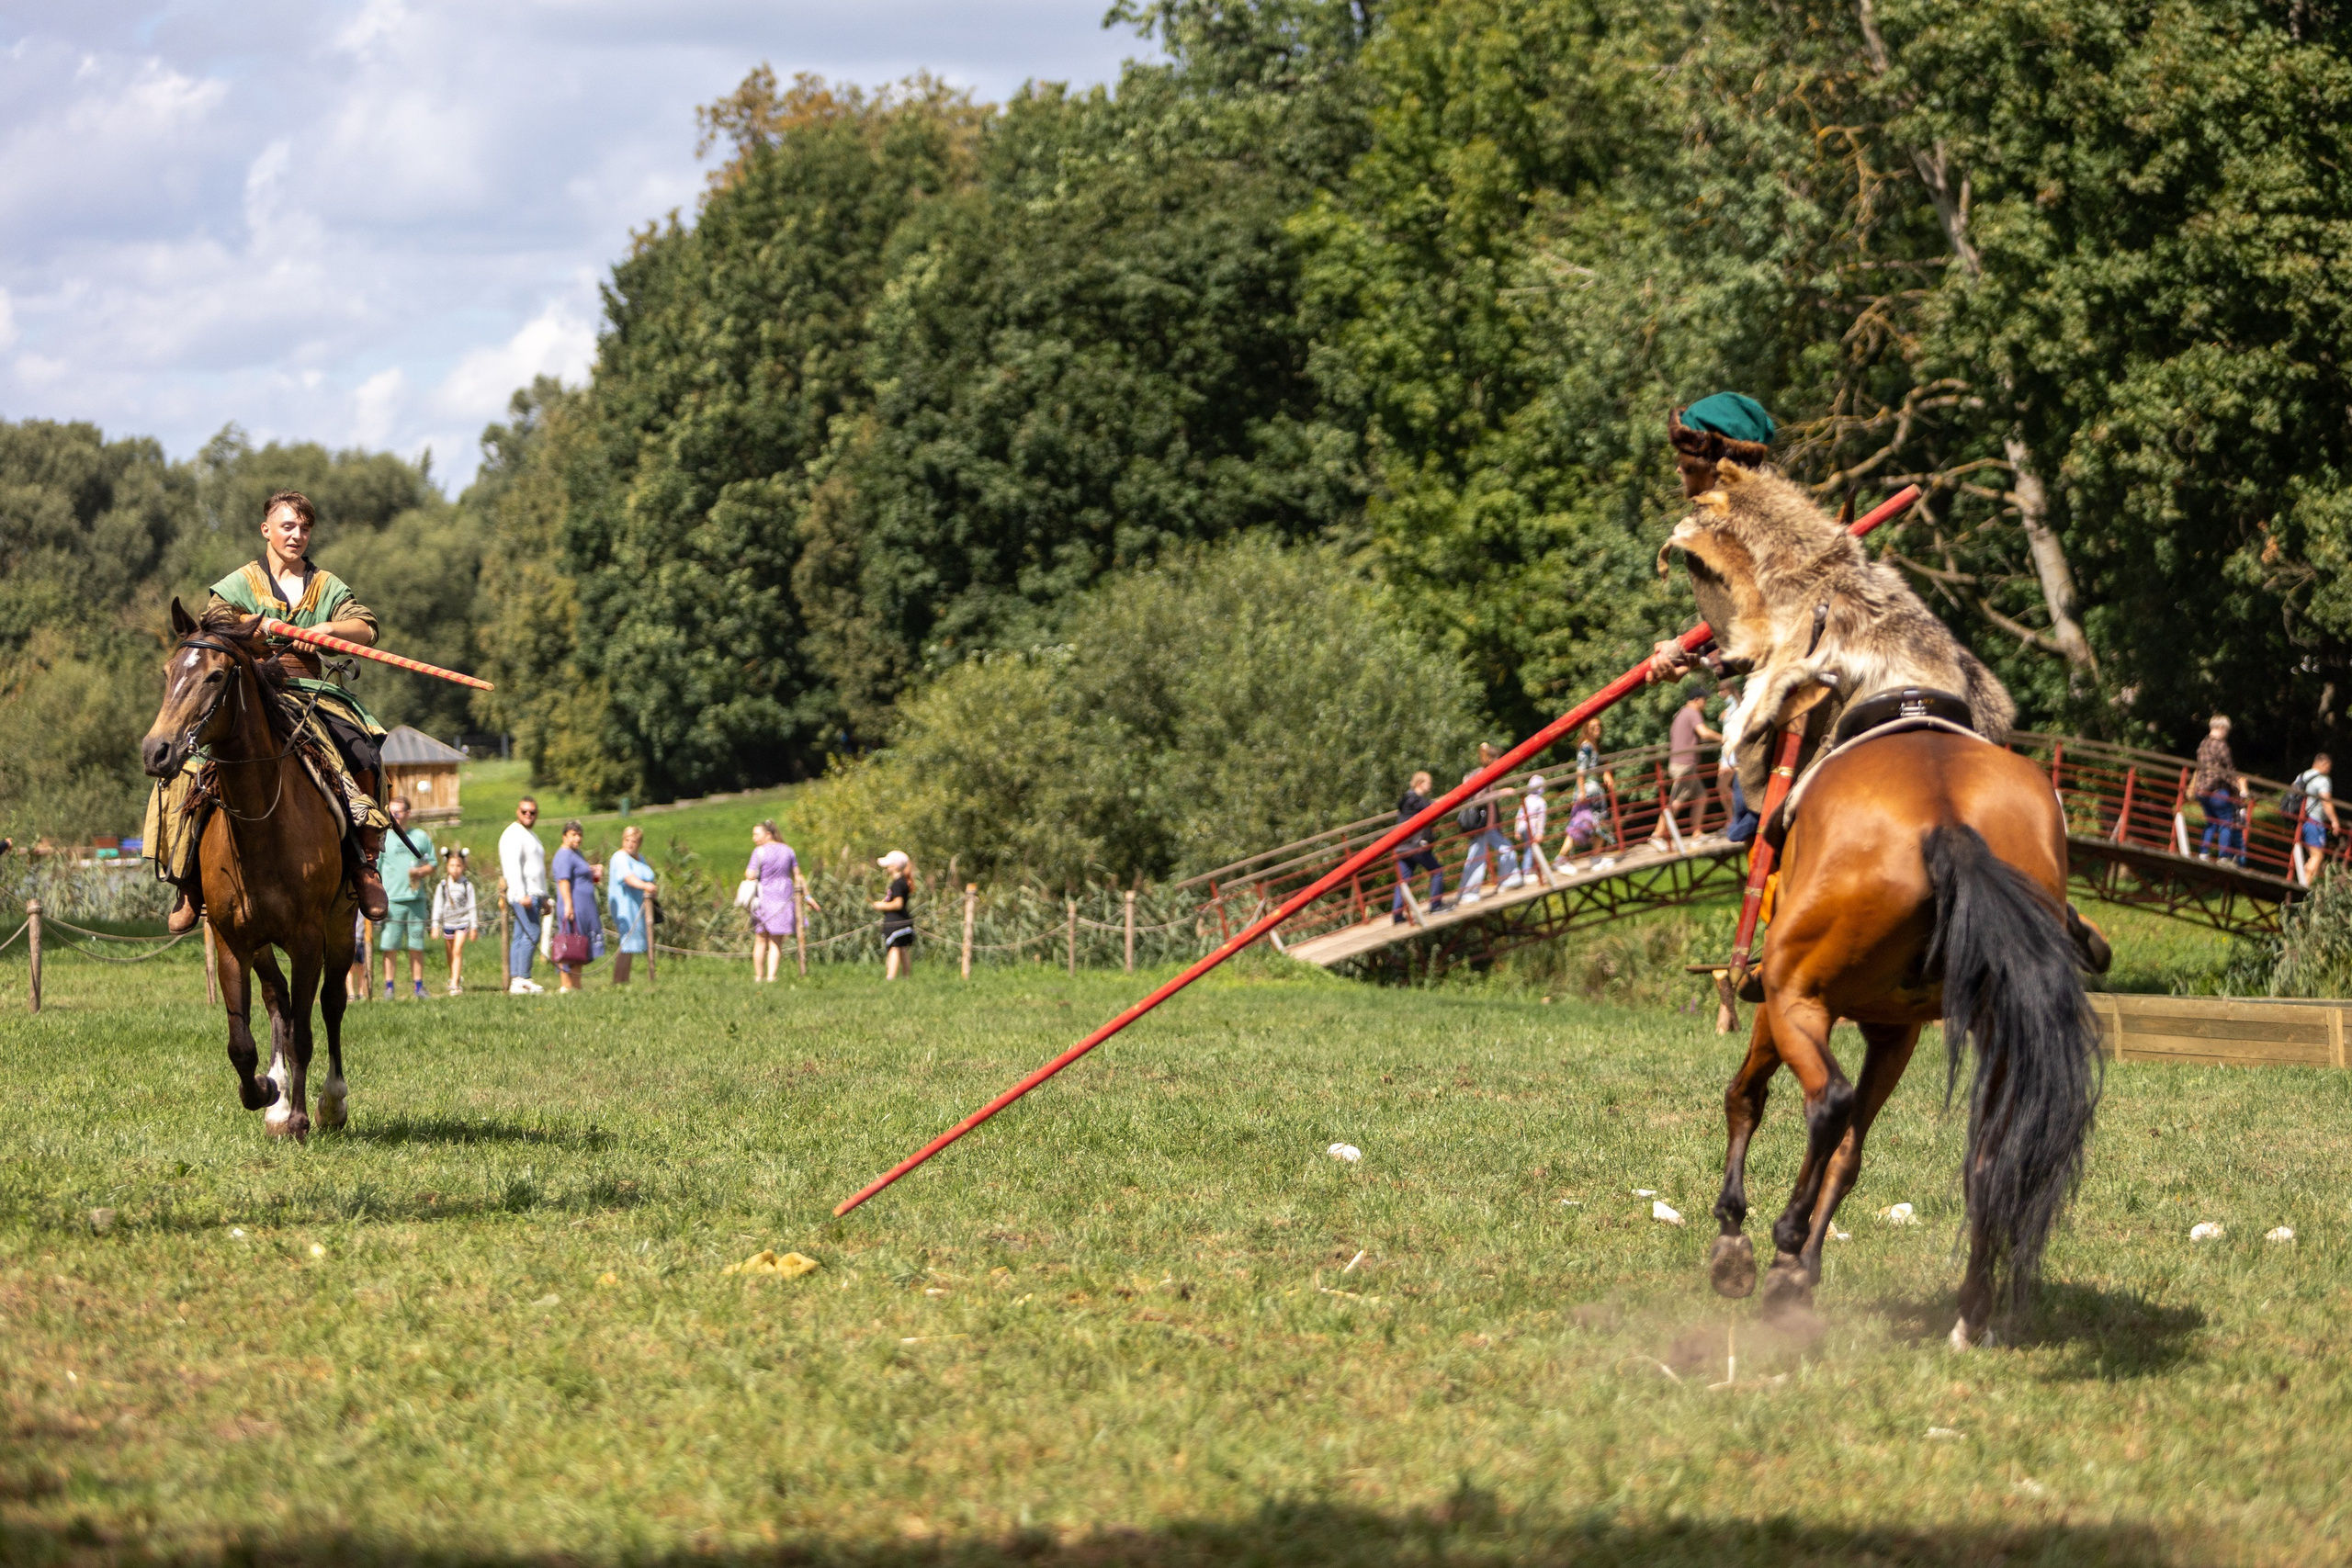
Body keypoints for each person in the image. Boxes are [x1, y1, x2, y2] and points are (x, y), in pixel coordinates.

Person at [157, 490, 395, 934]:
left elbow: (366, 627)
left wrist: (326, 629)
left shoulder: (326, 585)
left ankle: (364, 863)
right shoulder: (240, 583)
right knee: (194, 766)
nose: (297, 535)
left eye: (304, 528)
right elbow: (214, 619)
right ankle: (188, 876)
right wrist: (261, 626)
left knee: (363, 754)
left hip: (312, 691)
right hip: (250, 690)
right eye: (288, 526)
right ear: (266, 530)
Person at [1649, 682, 1721, 850]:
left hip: (1682, 763)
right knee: (1676, 801)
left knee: (1701, 796)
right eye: (1705, 700)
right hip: (1685, 765)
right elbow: (1704, 732)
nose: (1706, 704)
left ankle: (1697, 834)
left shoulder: (1681, 713)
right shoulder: (1693, 713)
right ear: (1697, 700)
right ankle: (1657, 835)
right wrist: (1723, 738)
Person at [376, 795, 435, 1000]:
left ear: (408, 813)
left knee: (416, 945)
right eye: (391, 813)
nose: (394, 817)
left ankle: (419, 987)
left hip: (416, 899)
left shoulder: (420, 837)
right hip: (392, 900)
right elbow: (377, 870)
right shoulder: (384, 837)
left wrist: (421, 872)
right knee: (389, 945)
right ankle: (389, 987)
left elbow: (432, 864)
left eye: (398, 813)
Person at [744, 820, 816, 983]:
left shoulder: (759, 852)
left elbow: (750, 874)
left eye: (756, 834)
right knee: (776, 941)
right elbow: (798, 875)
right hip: (784, 897)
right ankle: (772, 977)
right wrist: (808, 897)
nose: (754, 838)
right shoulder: (789, 851)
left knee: (761, 939)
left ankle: (758, 976)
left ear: (768, 835)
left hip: (764, 898)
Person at [500, 796, 548, 995]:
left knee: (522, 935)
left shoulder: (530, 835)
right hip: (524, 894)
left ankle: (518, 979)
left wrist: (544, 896)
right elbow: (513, 867)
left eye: (532, 812)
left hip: (535, 893)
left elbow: (537, 868)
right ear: (517, 812)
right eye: (524, 811)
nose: (528, 815)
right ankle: (522, 978)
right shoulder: (513, 834)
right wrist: (521, 894)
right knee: (532, 933)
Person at [548, 819, 604, 994]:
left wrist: (593, 870)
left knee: (578, 945)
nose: (577, 838)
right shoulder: (564, 854)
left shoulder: (576, 853)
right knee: (568, 943)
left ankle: (576, 984)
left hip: (584, 905)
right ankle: (565, 984)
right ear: (564, 836)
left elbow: (579, 873)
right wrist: (569, 905)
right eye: (573, 834)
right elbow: (563, 880)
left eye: (580, 835)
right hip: (573, 905)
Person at [2192, 716, 2248, 864]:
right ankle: (2223, 857)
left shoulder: (2202, 745)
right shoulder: (2221, 745)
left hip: (2201, 789)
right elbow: (2229, 769)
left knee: (2211, 822)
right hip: (2217, 789)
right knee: (2226, 823)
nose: (2227, 733)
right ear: (2222, 728)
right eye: (2227, 730)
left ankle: (2203, 853)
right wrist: (2237, 788)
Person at [1391, 770, 1445, 922]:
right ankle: (1436, 906)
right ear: (1420, 783)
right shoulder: (1415, 799)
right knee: (1437, 871)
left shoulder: (1408, 799)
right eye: (1429, 783)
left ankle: (1397, 915)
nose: (1431, 786)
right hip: (1415, 845)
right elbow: (1432, 808)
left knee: (1404, 881)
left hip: (1402, 846)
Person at [607, 825, 657, 987]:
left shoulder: (639, 858)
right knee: (626, 942)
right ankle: (618, 981)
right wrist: (645, 886)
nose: (630, 844)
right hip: (624, 904)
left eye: (633, 841)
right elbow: (627, 877)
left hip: (639, 905)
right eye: (627, 840)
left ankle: (624, 979)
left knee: (632, 943)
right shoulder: (619, 857)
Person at [432, 848, 479, 996]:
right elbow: (438, 906)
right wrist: (435, 925)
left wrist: (474, 927)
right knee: (450, 953)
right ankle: (454, 974)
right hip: (448, 923)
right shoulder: (443, 885)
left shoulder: (467, 885)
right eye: (452, 866)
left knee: (457, 951)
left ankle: (454, 984)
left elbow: (472, 906)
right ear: (447, 866)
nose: (455, 869)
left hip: (462, 923)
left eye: (458, 866)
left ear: (463, 867)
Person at [2291, 753, 2337, 888]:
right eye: (2329, 766)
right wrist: (2334, 821)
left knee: (2312, 856)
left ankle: (2303, 882)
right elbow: (2326, 802)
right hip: (2315, 822)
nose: (2329, 770)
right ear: (2323, 764)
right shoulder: (2323, 780)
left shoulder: (2302, 776)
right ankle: (2303, 887)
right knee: (2317, 856)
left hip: (2301, 820)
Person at [1503, 774, 1549, 890]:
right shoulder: (1541, 801)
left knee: (1529, 849)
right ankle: (1527, 872)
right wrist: (1540, 832)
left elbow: (1519, 815)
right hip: (1531, 828)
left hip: (1522, 827)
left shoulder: (1526, 799)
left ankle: (1532, 870)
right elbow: (1541, 818)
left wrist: (1516, 829)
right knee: (1530, 849)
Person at [875, 850, 915, 978]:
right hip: (903, 921)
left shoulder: (897, 883)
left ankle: (891, 977)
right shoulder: (902, 882)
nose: (886, 867)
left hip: (896, 921)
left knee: (894, 948)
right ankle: (906, 976)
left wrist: (882, 905)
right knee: (902, 948)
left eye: (889, 864)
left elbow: (898, 904)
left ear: (895, 866)